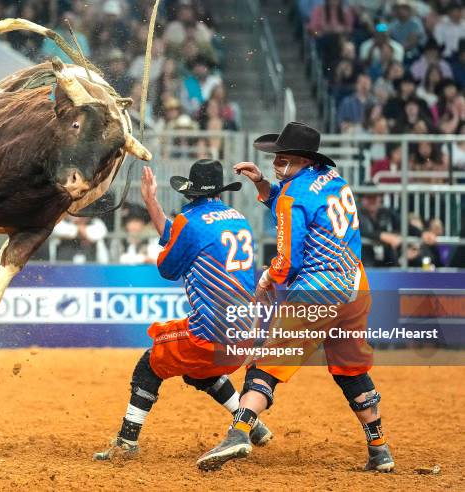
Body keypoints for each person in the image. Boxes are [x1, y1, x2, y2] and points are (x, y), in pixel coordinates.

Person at [197, 122, 394, 473]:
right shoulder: (334, 180)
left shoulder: (291, 195)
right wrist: (262, 184)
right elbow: (301, 208)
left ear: (302, 159)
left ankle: (239, 433)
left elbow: (288, 260)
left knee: (266, 361)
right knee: (351, 369)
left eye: (282, 158)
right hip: (354, 283)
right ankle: (379, 449)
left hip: (319, 287)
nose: (275, 163)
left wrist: (267, 277)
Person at [94, 160, 272, 461]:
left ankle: (126, 442)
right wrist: (152, 203)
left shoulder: (190, 222)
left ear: (191, 192)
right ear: (219, 192)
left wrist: (154, 206)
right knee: (197, 372)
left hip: (211, 334)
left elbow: (167, 267)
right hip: (244, 334)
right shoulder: (238, 219)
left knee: (149, 363)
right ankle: (252, 424)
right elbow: (178, 236)